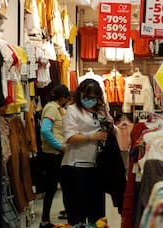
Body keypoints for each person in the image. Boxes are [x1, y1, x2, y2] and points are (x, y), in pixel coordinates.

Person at [60, 78, 115, 226]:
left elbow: (112, 129)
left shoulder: (101, 110)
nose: (90, 100)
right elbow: (69, 137)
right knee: (77, 212)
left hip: (97, 167)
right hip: (75, 167)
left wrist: (111, 127)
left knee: (96, 214)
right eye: (86, 97)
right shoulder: (72, 111)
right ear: (80, 95)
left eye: (93, 98)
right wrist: (92, 137)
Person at [39, 84, 70, 228]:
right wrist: (60, 146)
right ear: (63, 97)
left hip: (57, 154)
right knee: (53, 187)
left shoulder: (58, 109)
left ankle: (65, 216)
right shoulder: (52, 108)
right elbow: (45, 130)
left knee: (60, 186)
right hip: (53, 155)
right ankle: (45, 220)